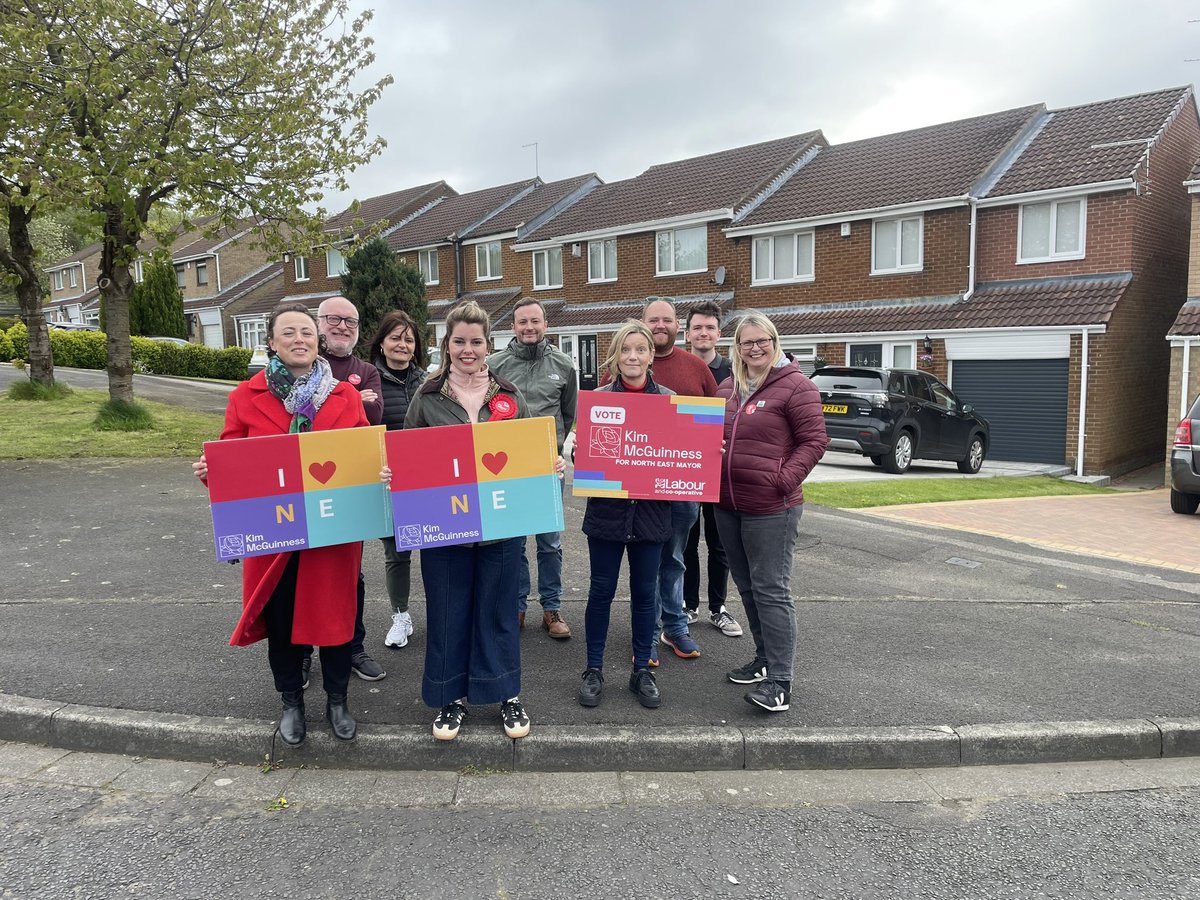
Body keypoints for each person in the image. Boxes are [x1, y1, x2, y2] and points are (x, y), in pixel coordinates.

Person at [192, 302, 367, 744]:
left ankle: (337, 700)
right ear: (271, 342)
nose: (299, 339)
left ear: (319, 340)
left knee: (336, 621)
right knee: (284, 621)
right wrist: (212, 473)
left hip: (332, 532)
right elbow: (233, 465)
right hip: (274, 536)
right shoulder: (244, 397)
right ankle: (291, 701)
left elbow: (366, 457)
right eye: (287, 333)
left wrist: (380, 475)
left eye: (306, 332)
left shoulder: (346, 397)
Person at [399, 300, 563, 741]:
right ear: (446, 345)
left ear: (488, 345)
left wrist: (549, 465)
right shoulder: (427, 398)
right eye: (459, 342)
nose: (468, 350)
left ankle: (506, 693)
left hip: (501, 529)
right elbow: (408, 455)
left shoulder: (509, 395)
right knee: (448, 612)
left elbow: (531, 452)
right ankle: (450, 700)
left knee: (499, 612)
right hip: (444, 530)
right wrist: (392, 472)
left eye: (476, 342)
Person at [714, 313, 828, 713]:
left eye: (762, 340)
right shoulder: (728, 387)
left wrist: (783, 479)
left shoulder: (797, 386)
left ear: (774, 342)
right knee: (747, 587)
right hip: (728, 505)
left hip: (771, 508)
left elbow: (815, 441)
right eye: (747, 343)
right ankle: (764, 660)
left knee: (772, 591)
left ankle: (781, 682)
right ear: (737, 348)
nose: (755, 348)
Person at [576, 321, 670, 709]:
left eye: (641, 350)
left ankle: (641, 671)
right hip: (608, 514)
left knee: (645, 595)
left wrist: (702, 455)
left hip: (650, 515)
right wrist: (580, 452)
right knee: (601, 592)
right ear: (615, 355)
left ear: (651, 355)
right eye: (626, 349)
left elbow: (680, 458)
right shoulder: (597, 400)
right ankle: (594, 669)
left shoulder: (669, 400)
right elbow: (584, 457)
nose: (633, 356)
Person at [304, 295, 387, 684]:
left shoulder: (366, 369)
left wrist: (348, 398)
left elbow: (372, 415)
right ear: (319, 324)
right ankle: (302, 652)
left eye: (350, 322)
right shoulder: (300, 367)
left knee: (350, 573)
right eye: (334, 319)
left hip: (350, 483)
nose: (342, 327)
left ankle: (353, 647)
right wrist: (351, 396)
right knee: (301, 570)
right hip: (303, 486)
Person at [487, 298, 578, 640]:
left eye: (535, 322)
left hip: (547, 466)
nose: (529, 327)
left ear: (545, 325)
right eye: (522, 322)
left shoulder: (563, 364)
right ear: (513, 326)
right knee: (514, 541)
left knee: (550, 542)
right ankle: (517, 604)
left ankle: (552, 608)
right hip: (506, 468)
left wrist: (554, 446)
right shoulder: (494, 364)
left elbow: (569, 414)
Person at [641, 297, 717, 660]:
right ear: (642, 322)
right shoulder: (624, 362)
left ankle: (674, 628)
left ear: (678, 327)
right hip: (638, 487)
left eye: (667, 320)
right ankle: (647, 631)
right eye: (653, 319)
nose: (660, 326)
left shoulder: (696, 368)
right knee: (645, 560)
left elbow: (714, 425)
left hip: (684, 486)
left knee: (674, 558)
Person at [367, 310, 427, 650]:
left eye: (408, 339)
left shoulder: (428, 381)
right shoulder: (368, 381)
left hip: (426, 480)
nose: (402, 345)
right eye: (395, 338)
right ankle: (400, 615)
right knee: (396, 553)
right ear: (382, 342)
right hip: (388, 481)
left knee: (438, 549)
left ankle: (445, 612)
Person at [682, 300, 741, 638]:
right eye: (697, 327)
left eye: (709, 327)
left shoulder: (735, 372)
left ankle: (718, 608)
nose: (703, 333)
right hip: (685, 470)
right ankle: (689, 605)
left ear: (719, 333)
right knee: (687, 541)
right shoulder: (681, 367)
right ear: (687, 333)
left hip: (720, 471)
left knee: (719, 543)